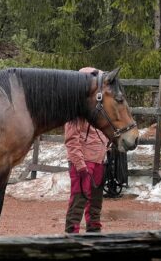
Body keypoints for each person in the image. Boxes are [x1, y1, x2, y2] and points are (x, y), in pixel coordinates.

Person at [64, 67, 109, 233]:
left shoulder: (97, 108)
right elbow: (71, 140)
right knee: (79, 198)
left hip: (99, 160)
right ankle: (72, 233)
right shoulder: (75, 110)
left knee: (96, 200)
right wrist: (79, 164)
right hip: (83, 161)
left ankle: (94, 231)